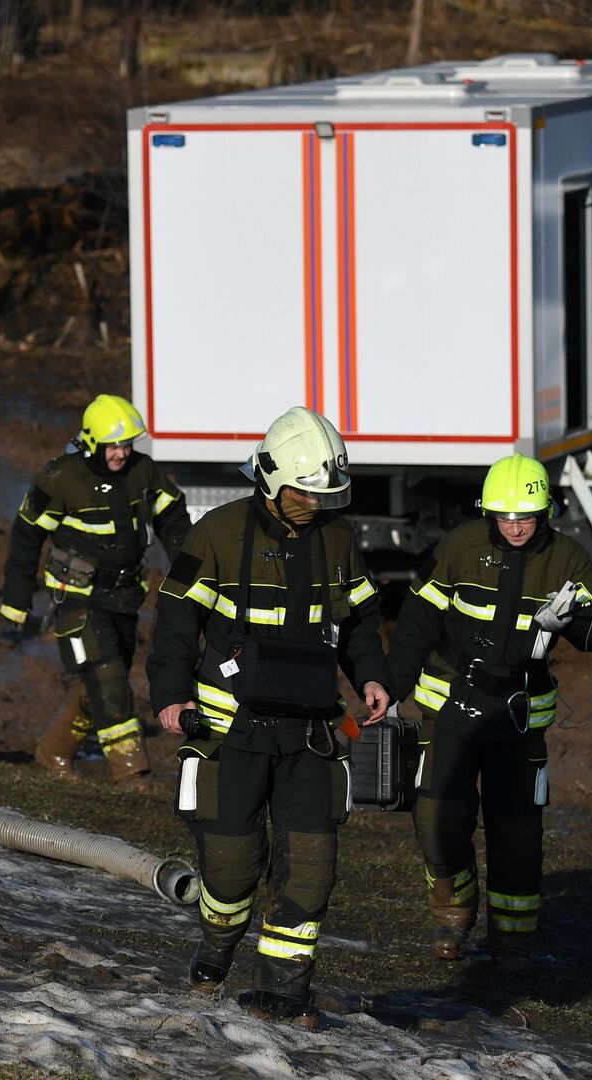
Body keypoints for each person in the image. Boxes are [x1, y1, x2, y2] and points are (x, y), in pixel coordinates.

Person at [148, 405, 393, 1029]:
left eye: (324, 492)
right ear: (271, 479)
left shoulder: (338, 543)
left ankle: (283, 998)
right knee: (229, 880)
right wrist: (172, 694)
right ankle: (215, 951)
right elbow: (175, 623)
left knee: (310, 873)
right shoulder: (217, 534)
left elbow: (361, 622)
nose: (316, 503)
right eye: (305, 492)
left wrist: (372, 676)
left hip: (314, 738)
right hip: (231, 736)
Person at [384, 453, 592, 971]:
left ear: (547, 512)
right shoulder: (459, 549)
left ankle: (512, 946)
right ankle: (453, 911)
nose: (514, 527)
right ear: (487, 512)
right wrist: (388, 687)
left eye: (526, 517)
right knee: (436, 820)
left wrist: (575, 618)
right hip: (449, 707)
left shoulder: (568, 559)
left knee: (517, 833)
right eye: (504, 516)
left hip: (519, 719)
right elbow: (416, 624)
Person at [0, 394, 190, 785]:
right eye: (112, 445)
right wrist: (16, 603)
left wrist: (189, 573)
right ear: (90, 441)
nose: (121, 453)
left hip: (124, 598)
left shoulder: (143, 472)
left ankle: (53, 753)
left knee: (103, 681)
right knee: (107, 678)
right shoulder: (60, 477)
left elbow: (173, 516)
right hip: (76, 600)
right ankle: (131, 772)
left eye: (126, 445)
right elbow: (25, 537)